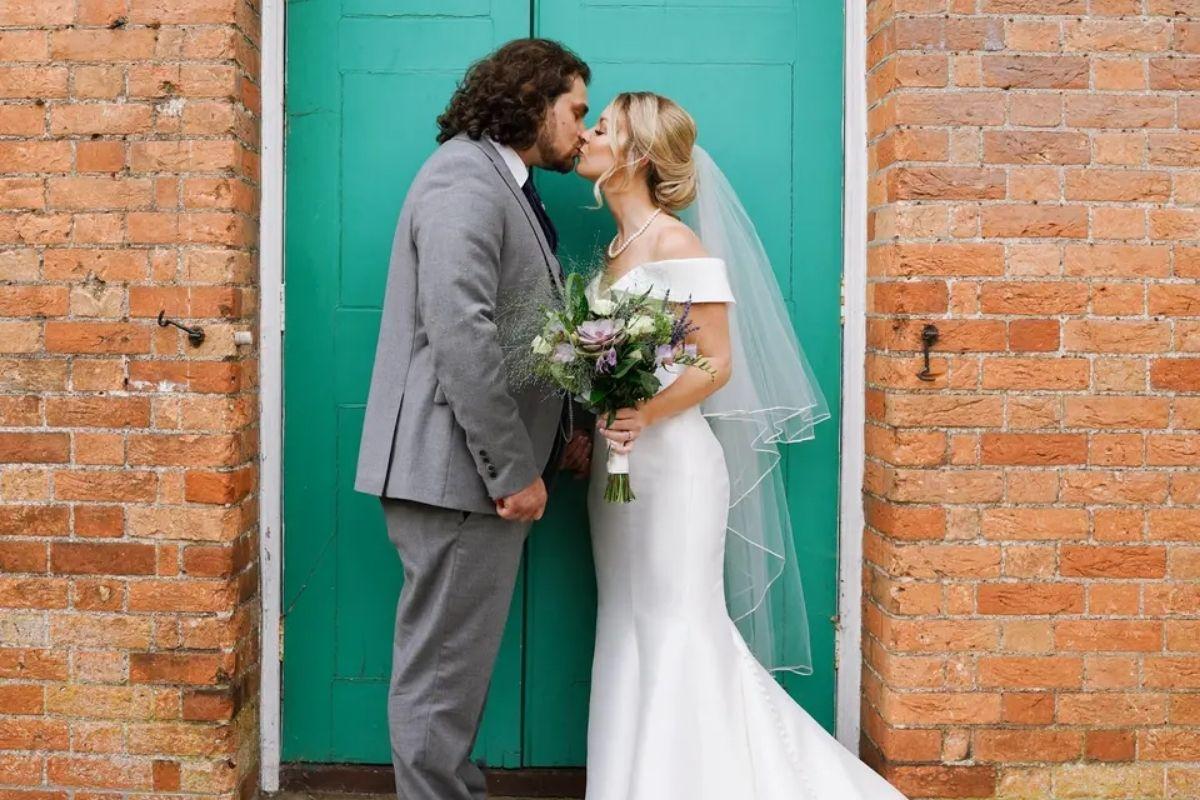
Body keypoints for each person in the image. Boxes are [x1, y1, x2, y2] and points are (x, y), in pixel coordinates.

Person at [574, 91, 908, 799]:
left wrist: (645, 411)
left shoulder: (675, 242)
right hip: (618, 467)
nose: (585, 136)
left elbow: (715, 362)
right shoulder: (612, 251)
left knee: (675, 620)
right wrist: (598, 422)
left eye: (600, 128)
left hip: (672, 469)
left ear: (633, 153)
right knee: (626, 618)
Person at [354, 38, 592, 800]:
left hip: (468, 478)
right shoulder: (464, 177)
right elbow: (462, 331)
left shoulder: (503, 182)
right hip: (461, 476)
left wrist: (567, 433)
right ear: (533, 98)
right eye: (577, 110)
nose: (584, 131)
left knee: (452, 675)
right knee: (440, 681)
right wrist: (515, 468)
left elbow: (524, 328)